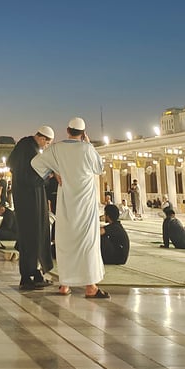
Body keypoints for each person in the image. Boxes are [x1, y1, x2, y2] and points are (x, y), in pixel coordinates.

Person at [32, 117, 108, 299]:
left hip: (66, 202)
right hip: (86, 204)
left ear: (67, 130)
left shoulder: (56, 148)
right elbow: (99, 168)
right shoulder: (87, 148)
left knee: (66, 242)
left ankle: (64, 285)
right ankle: (91, 287)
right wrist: (89, 144)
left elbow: (36, 163)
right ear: (83, 133)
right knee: (87, 243)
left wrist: (54, 172)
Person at [6, 124, 54, 289]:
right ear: (41, 138)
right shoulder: (31, 151)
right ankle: (28, 277)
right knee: (34, 235)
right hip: (31, 199)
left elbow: (10, 163)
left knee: (28, 236)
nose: (45, 146)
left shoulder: (22, 145)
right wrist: (49, 175)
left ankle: (33, 274)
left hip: (21, 197)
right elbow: (33, 178)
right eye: (46, 143)